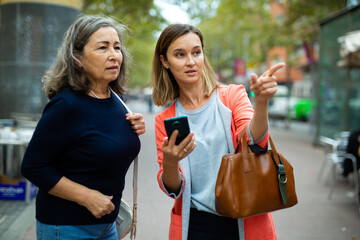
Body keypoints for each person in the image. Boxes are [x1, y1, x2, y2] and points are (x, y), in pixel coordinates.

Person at [151, 24, 284, 240]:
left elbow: (254, 141)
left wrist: (261, 104)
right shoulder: (165, 119)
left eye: (196, 52)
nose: (191, 61)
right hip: (196, 225)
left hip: (244, 218)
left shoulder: (232, 95)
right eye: (180, 54)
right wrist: (170, 161)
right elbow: (173, 188)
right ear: (165, 61)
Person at [21, 14, 145, 240]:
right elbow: (33, 166)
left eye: (117, 47)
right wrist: (87, 197)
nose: (114, 55)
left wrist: (133, 128)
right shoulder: (66, 105)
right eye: (102, 47)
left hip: (108, 227)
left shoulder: (117, 100)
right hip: (66, 228)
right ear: (77, 57)